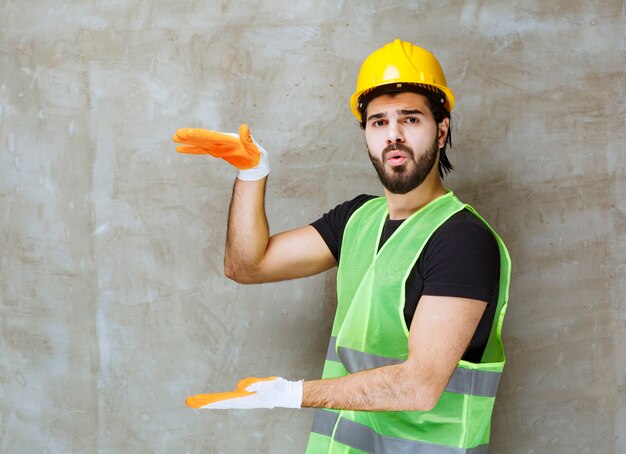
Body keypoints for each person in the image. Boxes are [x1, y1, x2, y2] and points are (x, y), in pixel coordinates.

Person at [173, 39, 511, 453]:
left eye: (410, 119)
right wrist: (251, 174)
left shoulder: (462, 240)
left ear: (441, 131)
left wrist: (292, 394)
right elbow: (248, 265)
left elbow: (419, 387)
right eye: (378, 122)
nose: (394, 136)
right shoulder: (357, 220)